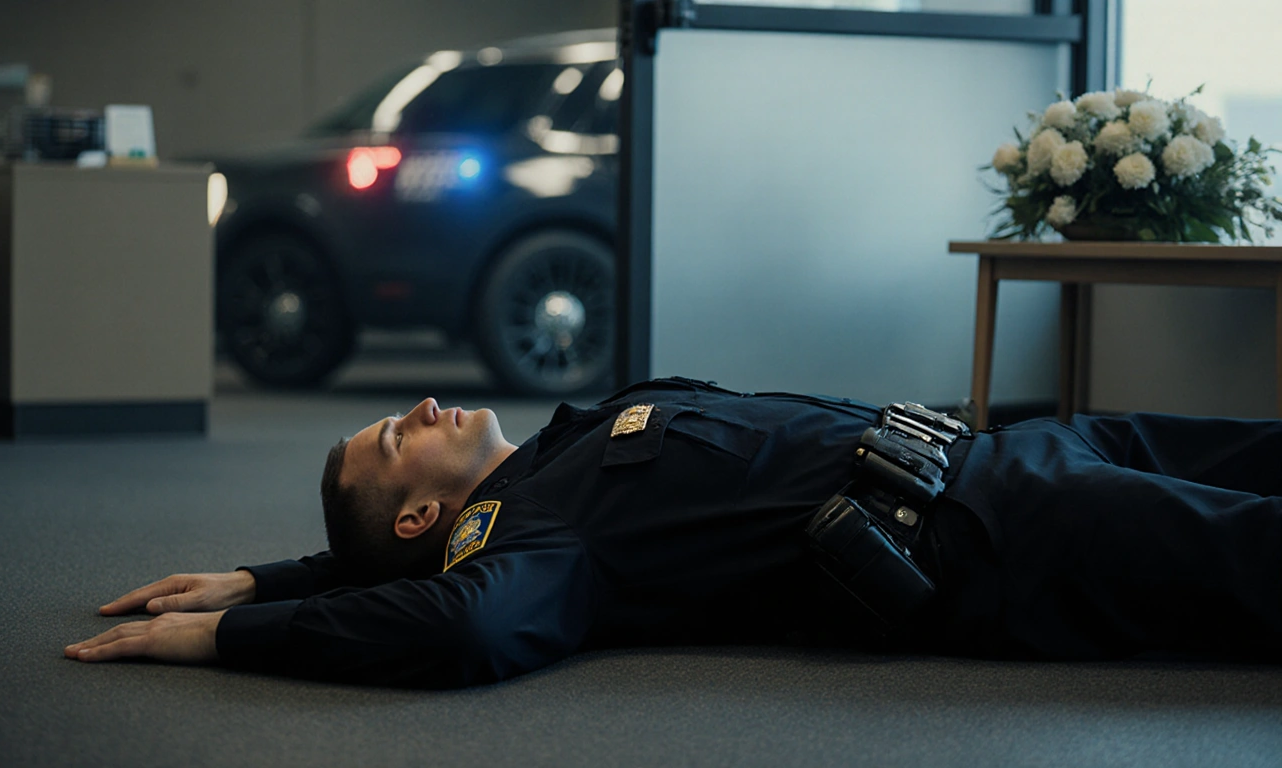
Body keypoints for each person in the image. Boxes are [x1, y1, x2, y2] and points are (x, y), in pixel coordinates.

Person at [64, 377, 1282, 687]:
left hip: (1015, 445)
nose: (422, 409)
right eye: (398, 438)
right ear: (433, 513)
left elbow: (410, 558)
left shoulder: (560, 447)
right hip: (1011, 530)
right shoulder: (543, 535)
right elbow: (461, 624)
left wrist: (258, 576)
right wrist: (231, 641)